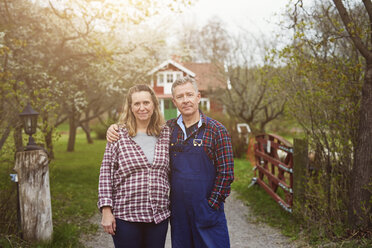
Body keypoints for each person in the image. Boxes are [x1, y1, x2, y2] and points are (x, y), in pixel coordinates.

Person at [107, 77, 234, 248]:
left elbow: (226, 174)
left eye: (189, 94)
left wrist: (211, 204)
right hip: (178, 211)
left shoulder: (217, 130)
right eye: (180, 96)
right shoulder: (168, 130)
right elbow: (140, 131)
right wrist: (114, 127)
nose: (186, 100)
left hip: (207, 209)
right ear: (174, 101)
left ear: (198, 96)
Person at [98, 84, 171, 248]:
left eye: (146, 103)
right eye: (137, 104)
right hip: (126, 216)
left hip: (157, 217)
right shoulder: (118, 135)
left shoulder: (166, 133)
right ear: (130, 107)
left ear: (154, 105)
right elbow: (105, 174)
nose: (142, 108)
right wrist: (106, 210)